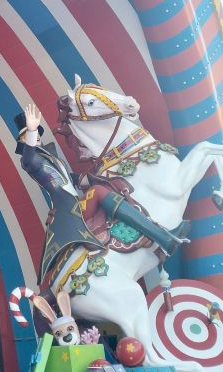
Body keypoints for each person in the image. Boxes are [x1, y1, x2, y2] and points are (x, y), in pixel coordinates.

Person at [15, 103, 189, 284]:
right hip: (70, 211)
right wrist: (31, 130)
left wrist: (102, 173)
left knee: (105, 185)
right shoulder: (30, 161)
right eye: (29, 135)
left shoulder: (52, 160)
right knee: (97, 192)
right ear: (23, 141)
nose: (35, 137)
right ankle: (162, 237)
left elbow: (72, 180)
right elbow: (28, 157)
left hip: (77, 204)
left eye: (35, 134)